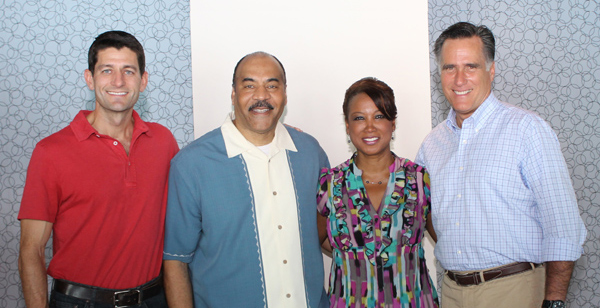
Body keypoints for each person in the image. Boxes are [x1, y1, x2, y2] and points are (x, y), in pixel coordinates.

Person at [415, 22, 586, 308]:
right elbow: (429, 215)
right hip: (452, 292)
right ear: (439, 74)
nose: (459, 79)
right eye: (449, 68)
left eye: (471, 66)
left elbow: (564, 227)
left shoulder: (527, 130)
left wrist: (554, 302)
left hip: (515, 290)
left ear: (490, 71)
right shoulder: (432, 145)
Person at [18, 30, 179, 308]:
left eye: (129, 71)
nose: (118, 81)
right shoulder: (51, 152)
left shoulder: (163, 141)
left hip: (153, 298)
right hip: (79, 302)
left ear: (143, 80)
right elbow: (30, 250)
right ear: (90, 79)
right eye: (107, 70)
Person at [162, 51, 330, 308]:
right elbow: (176, 259)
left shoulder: (310, 153)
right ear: (233, 94)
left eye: (272, 85)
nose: (261, 95)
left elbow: (327, 231)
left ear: (285, 94)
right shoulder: (191, 164)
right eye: (249, 85)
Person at [317, 77, 439, 308]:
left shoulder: (420, 180)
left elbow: (444, 240)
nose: (369, 127)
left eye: (379, 116)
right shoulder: (330, 184)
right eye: (359, 118)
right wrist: (357, 255)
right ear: (347, 125)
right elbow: (319, 239)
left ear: (393, 123)